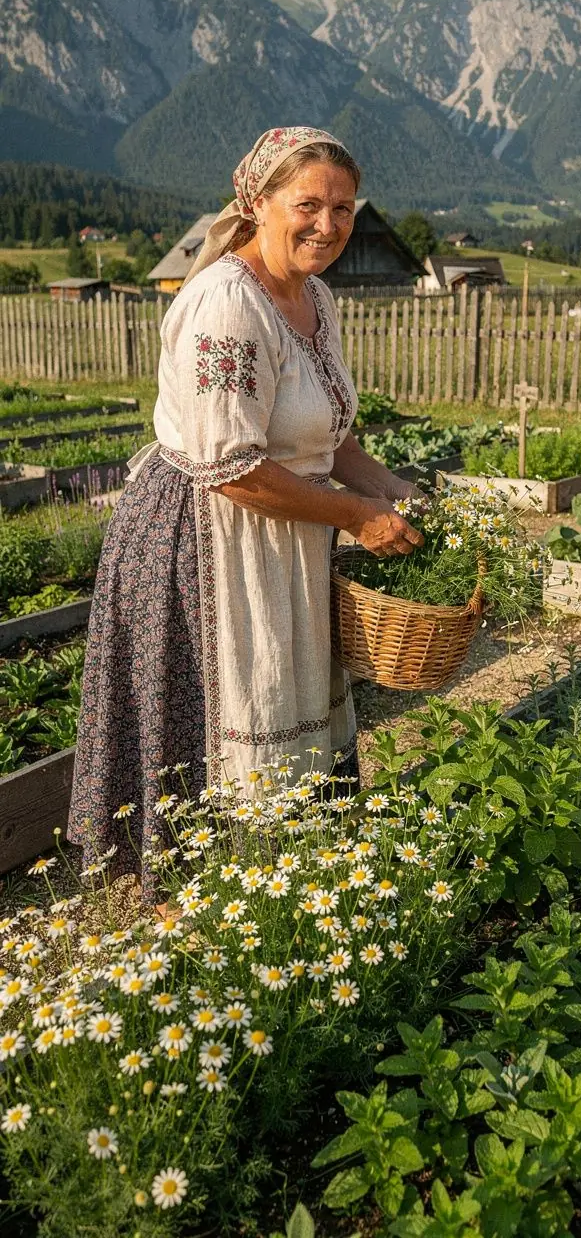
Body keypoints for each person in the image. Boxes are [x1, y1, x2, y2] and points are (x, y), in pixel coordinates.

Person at [67, 125, 422, 900]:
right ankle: (208, 901)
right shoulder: (227, 305)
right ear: (258, 202)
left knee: (286, 704)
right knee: (222, 717)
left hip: (287, 531)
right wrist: (356, 516)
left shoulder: (316, 298)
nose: (327, 226)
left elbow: (327, 439)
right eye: (308, 205)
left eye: (343, 209)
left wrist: (397, 491)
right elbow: (233, 469)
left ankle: (281, 885)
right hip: (206, 538)